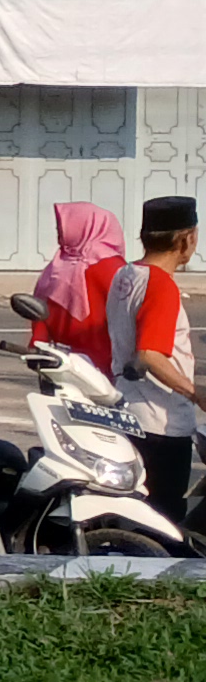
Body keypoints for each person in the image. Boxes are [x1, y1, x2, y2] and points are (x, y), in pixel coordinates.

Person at [107, 196, 198, 518]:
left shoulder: (127, 275)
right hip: (161, 419)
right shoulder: (161, 285)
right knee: (165, 513)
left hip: (128, 407)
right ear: (186, 239)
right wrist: (196, 393)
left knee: (136, 510)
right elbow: (150, 354)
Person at [32, 201, 125, 367]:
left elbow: (38, 315)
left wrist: (37, 347)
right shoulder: (114, 268)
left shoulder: (54, 268)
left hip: (56, 362)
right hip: (103, 365)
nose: (59, 232)